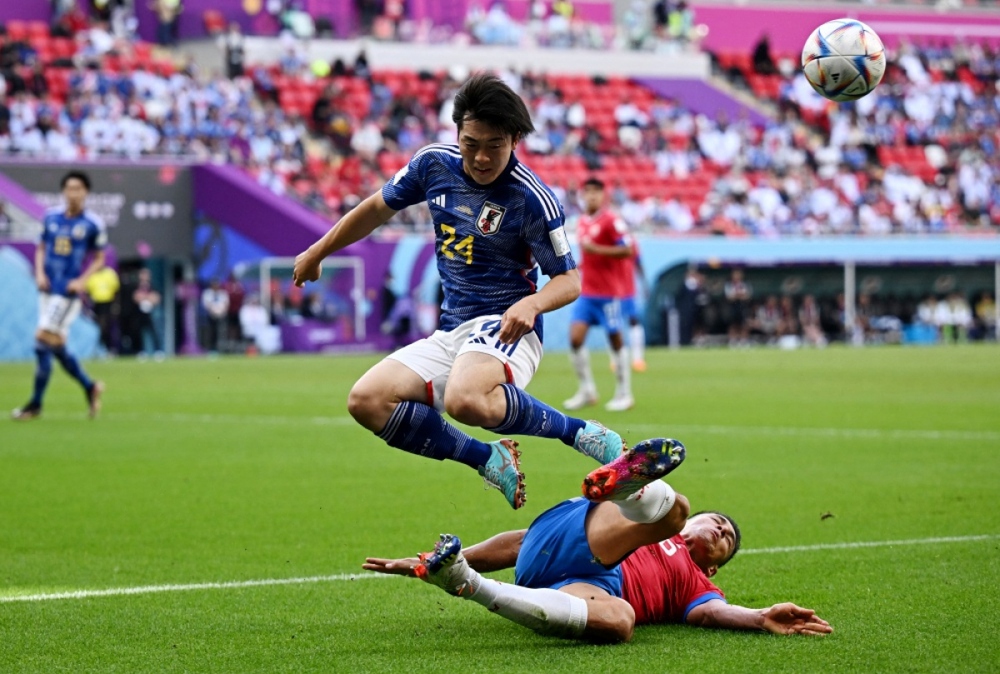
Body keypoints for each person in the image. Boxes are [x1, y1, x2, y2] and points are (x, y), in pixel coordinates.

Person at [292, 74, 625, 510]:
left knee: (464, 399)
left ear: (516, 140)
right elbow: (376, 208)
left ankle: (580, 433)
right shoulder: (433, 164)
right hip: (453, 331)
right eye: (471, 143)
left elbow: (569, 280)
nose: (481, 157)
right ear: (456, 133)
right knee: (367, 400)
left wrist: (532, 302)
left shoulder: (532, 199)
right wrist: (318, 251)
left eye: (495, 145)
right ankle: (488, 459)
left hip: (508, 326)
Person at [364, 438, 832, 643]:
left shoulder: (699, 586)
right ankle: (627, 487)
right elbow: (521, 541)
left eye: (726, 539)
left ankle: (463, 582)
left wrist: (759, 617)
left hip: (581, 587)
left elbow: (712, 613)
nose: (721, 530)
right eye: (719, 522)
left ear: (713, 567)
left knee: (622, 623)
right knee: (674, 511)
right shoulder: (673, 529)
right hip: (581, 530)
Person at [12, 171, 106, 421]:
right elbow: (42, 247)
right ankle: (90, 386)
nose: (73, 193)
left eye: (78, 188)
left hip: (66, 293)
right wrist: (40, 272)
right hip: (47, 288)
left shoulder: (92, 223)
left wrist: (82, 280)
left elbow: (99, 258)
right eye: (69, 188)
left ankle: (35, 405)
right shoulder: (51, 217)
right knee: (54, 346)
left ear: (86, 192)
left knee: (42, 339)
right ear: (63, 191)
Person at [564, 178, 635, 413]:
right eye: (588, 192)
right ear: (582, 195)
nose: (592, 196)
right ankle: (587, 390)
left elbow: (627, 249)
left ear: (603, 195)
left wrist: (598, 250)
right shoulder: (582, 221)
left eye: (597, 192)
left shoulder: (612, 221)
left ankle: (625, 393)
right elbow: (589, 256)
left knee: (615, 339)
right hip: (587, 293)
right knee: (575, 339)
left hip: (608, 293)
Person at [85, 264, 120, 356]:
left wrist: (116, 305)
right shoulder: (92, 274)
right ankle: (98, 349)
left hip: (108, 303)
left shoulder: (110, 273)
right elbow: (88, 290)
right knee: (97, 328)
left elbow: (116, 290)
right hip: (97, 305)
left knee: (107, 327)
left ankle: (109, 349)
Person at [133, 268, 164, 359]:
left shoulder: (153, 286)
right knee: (142, 332)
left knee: (156, 331)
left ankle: (158, 350)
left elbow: (156, 297)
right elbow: (135, 297)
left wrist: (146, 298)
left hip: (152, 312)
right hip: (141, 313)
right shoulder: (137, 286)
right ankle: (143, 351)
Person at [201, 278, 229, 353]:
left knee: (220, 332)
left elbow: (226, 304)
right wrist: (213, 311)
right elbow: (207, 304)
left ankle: (219, 348)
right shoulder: (207, 293)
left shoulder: (222, 293)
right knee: (211, 332)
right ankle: (211, 349)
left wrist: (220, 311)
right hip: (210, 316)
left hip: (221, 315)